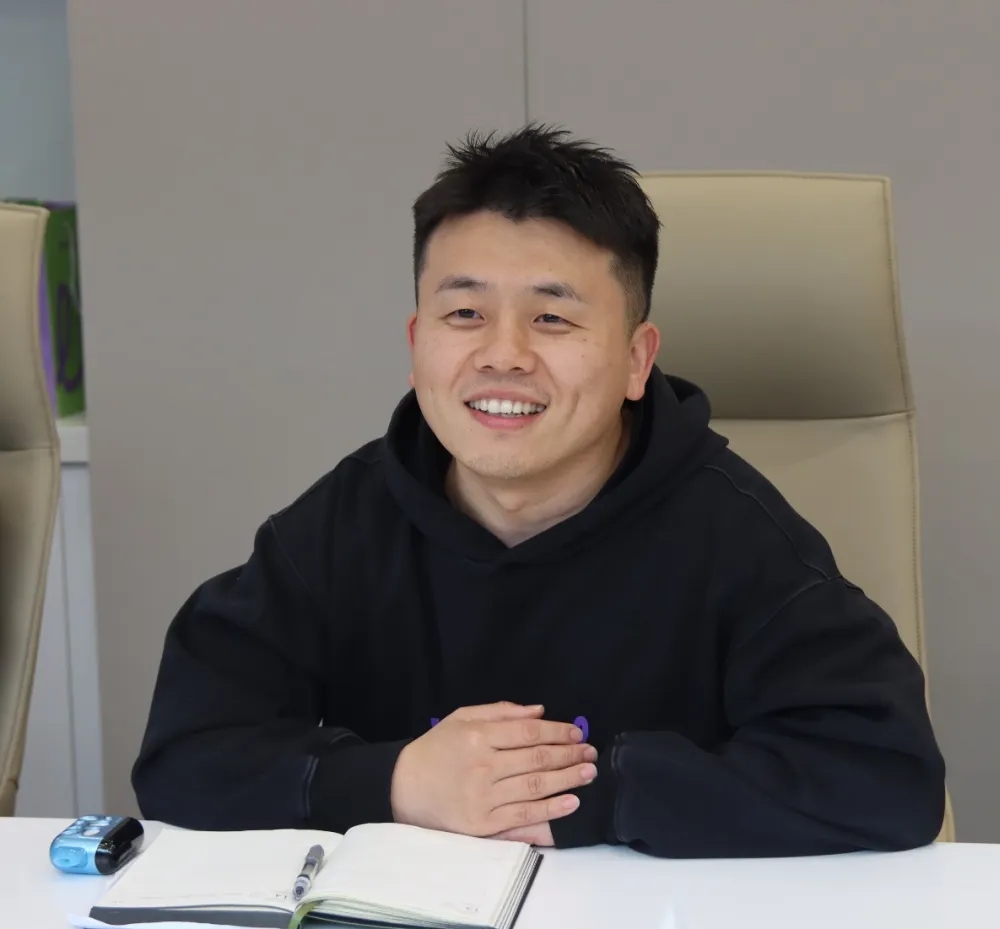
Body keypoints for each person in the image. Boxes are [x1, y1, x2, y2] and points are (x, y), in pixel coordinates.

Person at [132, 124, 946, 857]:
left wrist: (597, 793)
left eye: (552, 319)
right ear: (416, 345)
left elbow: (887, 775)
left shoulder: (737, 534)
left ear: (637, 359)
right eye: (464, 314)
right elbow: (184, 756)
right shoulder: (341, 526)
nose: (504, 355)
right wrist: (393, 782)